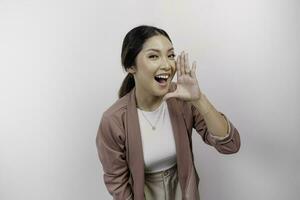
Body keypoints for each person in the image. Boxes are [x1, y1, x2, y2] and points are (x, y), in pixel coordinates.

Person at [96, 25, 241, 200]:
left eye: (171, 55)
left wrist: (198, 99)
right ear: (130, 66)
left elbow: (230, 146)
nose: (167, 65)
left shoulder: (182, 100)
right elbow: (116, 180)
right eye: (153, 56)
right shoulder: (113, 120)